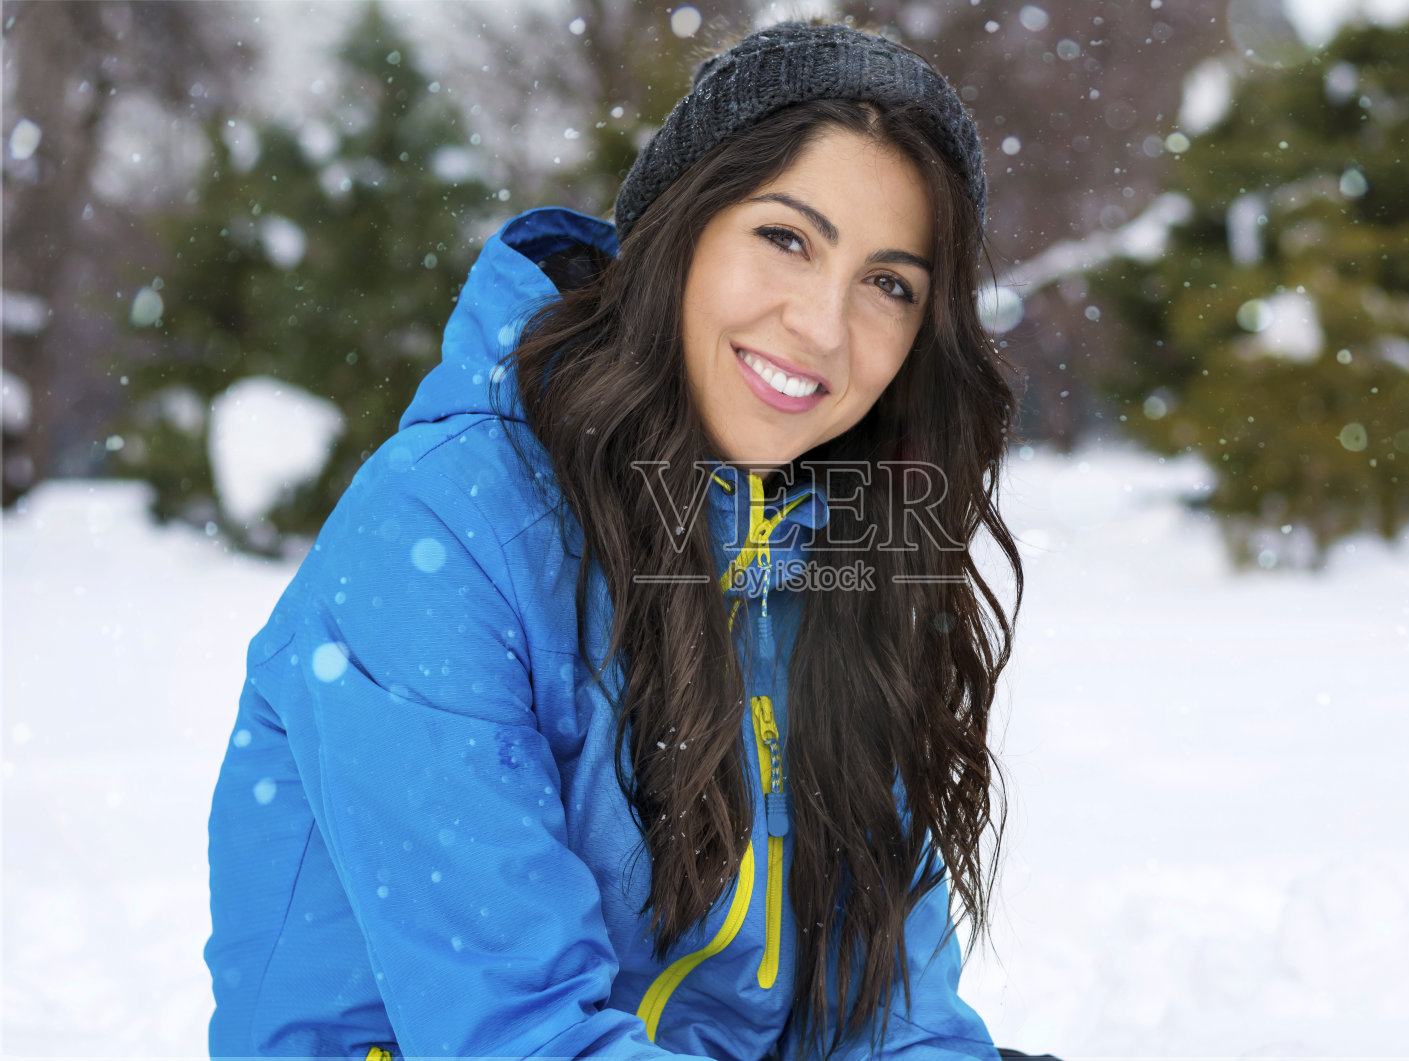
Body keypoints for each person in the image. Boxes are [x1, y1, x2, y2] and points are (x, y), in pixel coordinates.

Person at [204, 19, 1024, 1060]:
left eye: (889, 284)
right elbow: (522, 1037)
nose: (824, 325)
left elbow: (893, 1025)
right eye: (786, 238)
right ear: (679, 228)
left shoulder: (840, 557)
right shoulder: (445, 527)